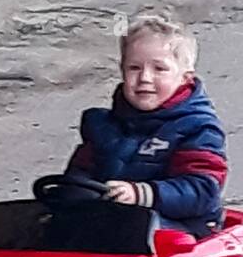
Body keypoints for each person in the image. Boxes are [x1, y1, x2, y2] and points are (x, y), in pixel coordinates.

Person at [64, 16, 228, 238]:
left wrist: (142, 194)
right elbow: (79, 177)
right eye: (134, 68)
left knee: (129, 230)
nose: (144, 78)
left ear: (185, 78)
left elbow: (202, 191)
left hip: (183, 229)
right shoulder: (102, 126)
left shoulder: (198, 127)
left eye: (159, 69)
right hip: (114, 221)